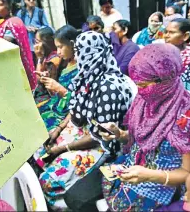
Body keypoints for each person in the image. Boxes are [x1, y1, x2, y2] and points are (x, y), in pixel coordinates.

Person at [99, 43, 190, 211]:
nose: (139, 91)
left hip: (161, 185)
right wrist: (119, 134)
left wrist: (149, 175)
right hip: (134, 168)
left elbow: (187, 173)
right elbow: (142, 137)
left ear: (165, 80)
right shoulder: (146, 100)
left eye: (143, 85)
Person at [34, 31, 134, 210]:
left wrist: (62, 148)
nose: (78, 56)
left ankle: (63, 205)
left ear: (94, 53)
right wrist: (58, 129)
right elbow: (75, 110)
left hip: (101, 145)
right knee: (39, 153)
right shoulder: (86, 76)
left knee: (48, 180)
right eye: (77, 50)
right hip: (82, 131)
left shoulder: (109, 87)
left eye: (82, 51)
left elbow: (101, 136)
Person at [0, 0, 37, 90]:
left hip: (17, 66)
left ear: (9, 6)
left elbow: (7, 43)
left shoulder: (13, 22)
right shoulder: (0, 22)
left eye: (0, 4)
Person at [35, 25, 78, 131]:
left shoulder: (82, 68)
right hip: (56, 105)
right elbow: (53, 94)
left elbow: (81, 102)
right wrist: (47, 81)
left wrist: (61, 90)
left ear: (72, 44)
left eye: (60, 47)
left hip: (68, 113)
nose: (58, 52)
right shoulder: (64, 62)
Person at [164, 18, 190, 96]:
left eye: (172, 32)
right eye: (166, 32)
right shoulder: (163, 54)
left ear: (185, 36)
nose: (166, 36)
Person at [16, 0, 49, 66]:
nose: (31, 1)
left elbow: (47, 27)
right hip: (26, 46)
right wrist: (25, 28)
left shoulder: (40, 12)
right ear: (25, 0)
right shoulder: (21, 13)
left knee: (41, 64)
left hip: (39, 45)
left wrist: (38, 29)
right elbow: (16, 28)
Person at [33, 27, 62, 107]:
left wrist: (39, 58)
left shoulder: (53, 60)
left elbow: (38, 79)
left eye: (37, 42)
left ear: (45, 43)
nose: (35, 45)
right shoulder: (46, 56)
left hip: (52, 96)